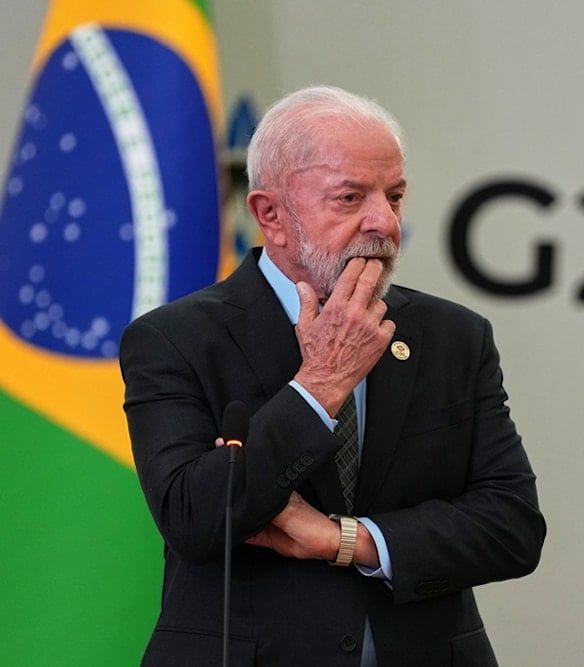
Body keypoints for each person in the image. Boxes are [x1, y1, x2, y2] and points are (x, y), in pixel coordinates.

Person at [120, 85, 546, 666]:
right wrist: (320, 384)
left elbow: (512, 526)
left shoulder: (453, 336)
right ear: (271, 215)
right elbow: (195, 520)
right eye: (350, 198)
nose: (385, 223)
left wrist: (346, 540)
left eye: (394, 197)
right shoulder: (176, 340)